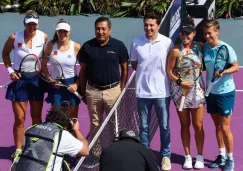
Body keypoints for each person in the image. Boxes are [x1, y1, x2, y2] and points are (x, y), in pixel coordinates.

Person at [2, 10, 48, 161]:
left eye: (34, 24)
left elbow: (45, 58)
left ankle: (35, 147)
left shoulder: (44, 37)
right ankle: (18, 149)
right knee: (20, 118)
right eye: (29, 24)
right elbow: (5, 53)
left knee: (36, 117)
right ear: (24, 23)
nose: (31, 27)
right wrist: (10, 70)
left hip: (36, 81)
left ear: (38, 24)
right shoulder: (15, 37)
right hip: (19, 81)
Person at [130, 12, 173, 171]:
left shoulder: (168, 43)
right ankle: (145, 156)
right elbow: (135, 65)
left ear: (158, 26)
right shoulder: (135, 43)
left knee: (165, 126)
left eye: (151, 25)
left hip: (162, 93)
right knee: (144, 127)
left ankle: (166, 156)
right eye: (146, 25)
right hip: (142, 93)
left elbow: (170, 65)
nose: (148, 28)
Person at [79, 17, 129, 145]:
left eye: (103, 29)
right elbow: (83, 71)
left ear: (109, 30)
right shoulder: (87, 46)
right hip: (93, 91)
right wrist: (84, 91)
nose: (100, 32)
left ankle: (114, 151)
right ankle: (96, 153)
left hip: (113, 91)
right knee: (95, 123)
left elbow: (124, 70)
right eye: (98, 29)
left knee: (115, 124)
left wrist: (121, 90)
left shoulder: (119, 46)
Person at [167, 17, 205, 169]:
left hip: (197, 91)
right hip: (180, 92)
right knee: (185, 124)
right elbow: (169, 71)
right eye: (183, 34)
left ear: (194, 34)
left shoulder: (200, 47)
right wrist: (180, 82)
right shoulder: (175, 51)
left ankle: (200, 156)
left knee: (198, 124)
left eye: (188, 34)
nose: (185, 36)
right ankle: (188, 156)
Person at [203, 19, 239, 171]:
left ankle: (230, 159)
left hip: (225, 92)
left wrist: (224, 71)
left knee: (225, 128)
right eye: (205, 33)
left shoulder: (226, 48)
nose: (207, 36)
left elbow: (236, 67)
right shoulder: (205, 47)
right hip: (211, 92)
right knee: (217, 126)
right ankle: (221, 155)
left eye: (210, 33)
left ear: (217, 31)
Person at [10, 105, 89, 171]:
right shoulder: (61, 134)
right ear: (65, 124)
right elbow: (85, 151)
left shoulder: (32, 129)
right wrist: (76, 130)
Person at [42, 19, 81, 118]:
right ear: (56, 31)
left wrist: (76, 84)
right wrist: (50, 80)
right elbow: (43, 65)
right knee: (56, 120)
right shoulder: (50, 45)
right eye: (60, 31)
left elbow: (85, 69)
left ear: (70, 31)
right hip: (55, 86)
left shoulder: (76, 47)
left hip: (71, 85)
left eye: (65, 31)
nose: (62, 33)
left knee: (72, 121)